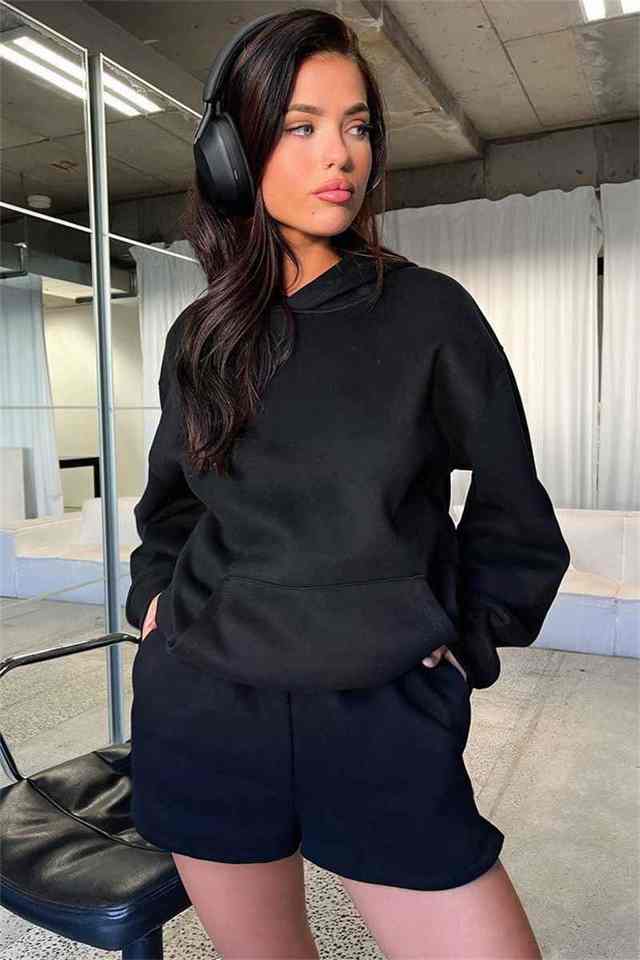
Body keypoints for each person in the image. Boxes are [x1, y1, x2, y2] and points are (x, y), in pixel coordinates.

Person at [127, 9, 570, 959]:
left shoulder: (429, 314)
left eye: (357, 126)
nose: (341, 155)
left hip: (380, 714)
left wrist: (463, 640)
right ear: (233, 154)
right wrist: (157, 602)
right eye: (302, 126)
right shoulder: (201, 336)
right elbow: (171, 507)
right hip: (208, 711)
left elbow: (514, 514)